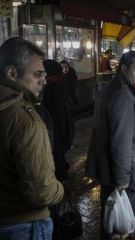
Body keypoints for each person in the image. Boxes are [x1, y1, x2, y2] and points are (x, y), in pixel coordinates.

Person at [0, 37, 64, 239]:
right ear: (11, 73)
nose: (44, 81)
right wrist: (60, 190)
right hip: (24, 225)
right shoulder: (26, 120)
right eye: (37, 74)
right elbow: (42, 191)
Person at [85, 51, 135, 239]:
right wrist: (122, 180)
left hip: (112, 172)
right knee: (129, 228)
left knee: (112, 222)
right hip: (128, 177)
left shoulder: (113, 88)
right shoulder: (123, 95)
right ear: (124, 69)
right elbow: (121, 141)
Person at [42, 59, 72, 181]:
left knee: (56, 147)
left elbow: (50, 105)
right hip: (63, 119)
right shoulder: (61, 81)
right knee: (59, 146)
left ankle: (60, 174)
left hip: (56, 120)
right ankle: (62, 167)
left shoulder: (51, 84)